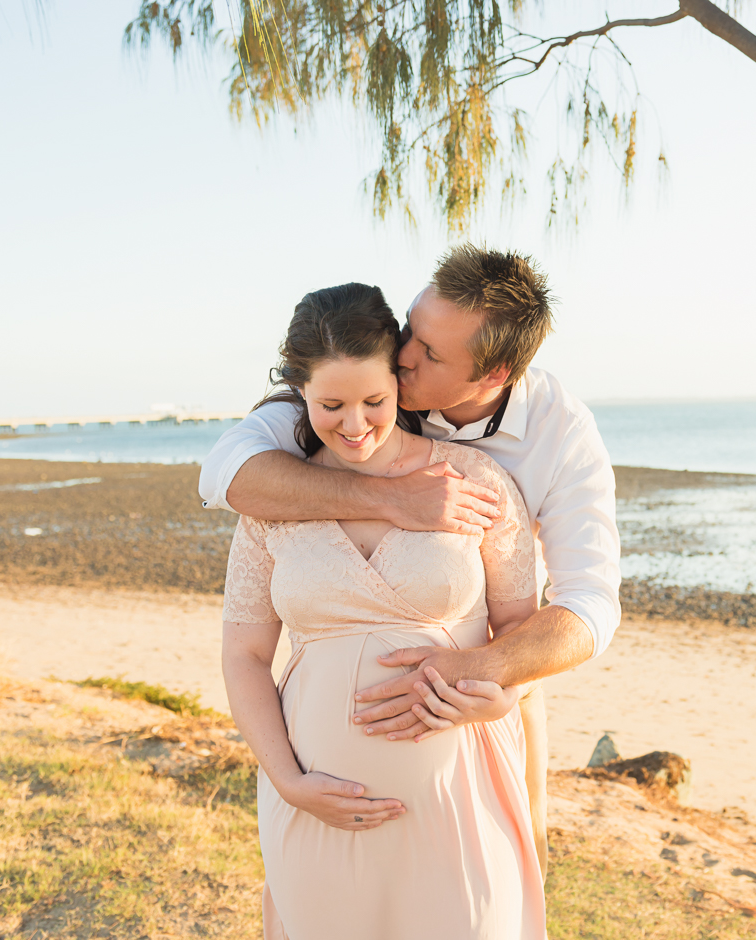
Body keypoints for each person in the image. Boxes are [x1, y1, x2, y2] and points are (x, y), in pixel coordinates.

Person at [202, 245, 622, 877]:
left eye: (430, 353)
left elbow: (588, 603)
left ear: (493, 375)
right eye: (411, 329)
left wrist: (488, 674)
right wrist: (392, 497)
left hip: (483, 719)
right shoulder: (351, 389)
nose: (404, 355)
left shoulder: (560, 437)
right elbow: (225, 477)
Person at [222, 282, 545, 939]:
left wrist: (503, 697)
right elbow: (245, 655)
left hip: (459, 792)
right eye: (330, 405)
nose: (355, 424)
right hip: (317, 807)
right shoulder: (274, 499)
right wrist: (286, 779)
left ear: (400, 383)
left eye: (374, 401)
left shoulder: (476, 482)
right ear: (299, 395)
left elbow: (523, 632)